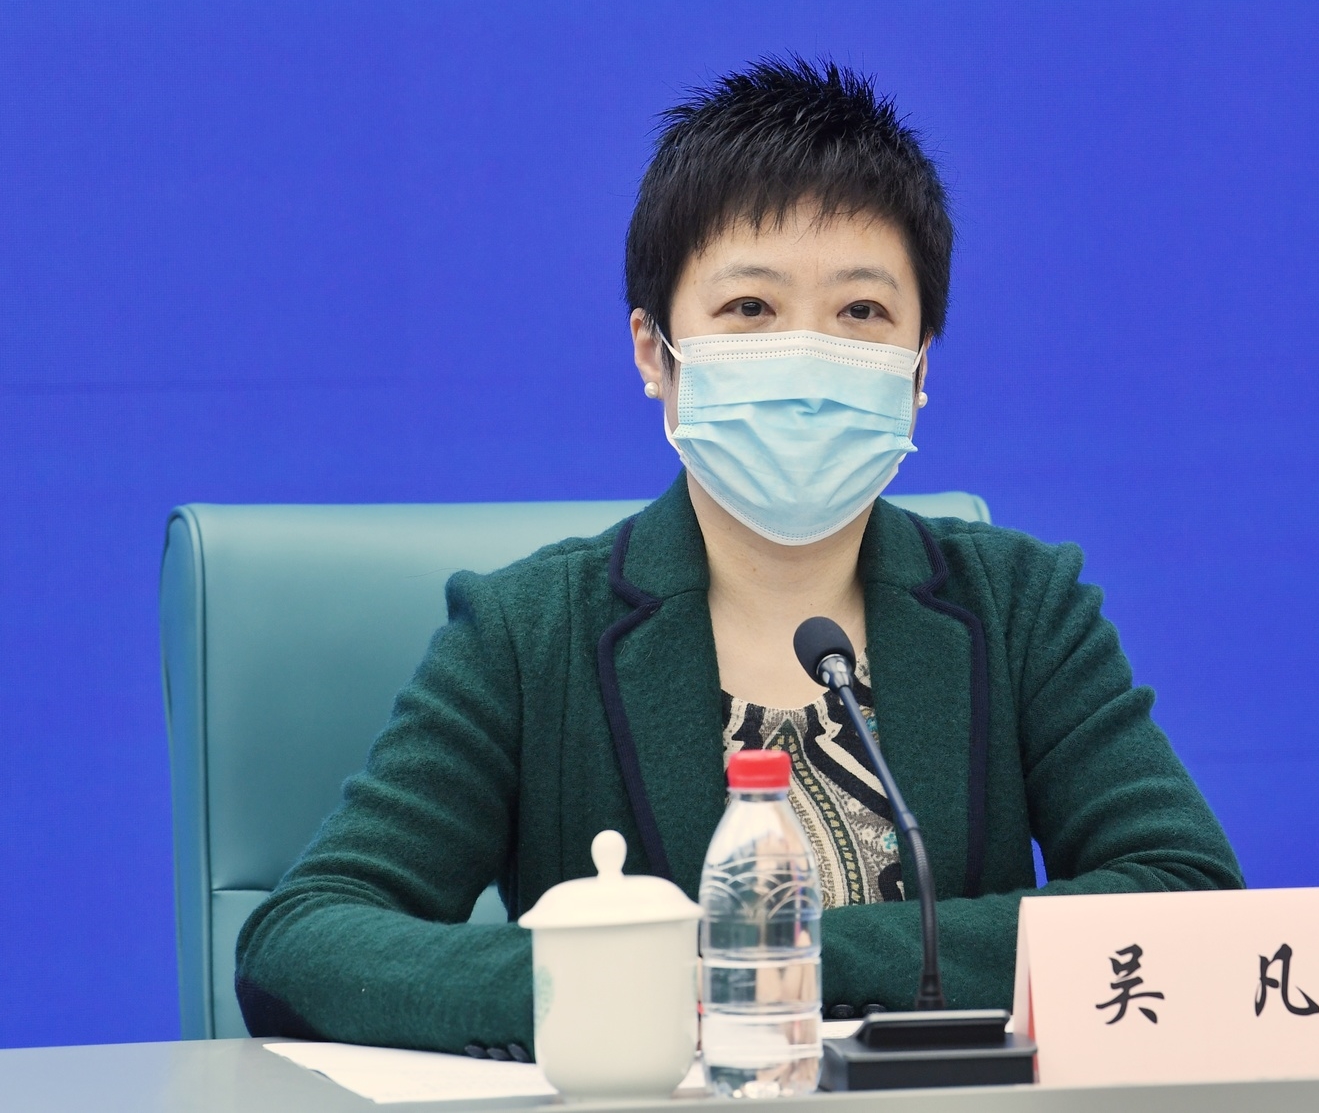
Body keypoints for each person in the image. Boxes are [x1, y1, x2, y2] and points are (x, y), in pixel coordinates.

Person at [235, 57, 1243, 1055]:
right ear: (653, 350)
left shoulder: (1020, 607)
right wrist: (620, 983)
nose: (808, 356)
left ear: (918, 365)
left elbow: (1186, 896)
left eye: (861, 313)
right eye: (750, 309)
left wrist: (771, 962)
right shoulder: (528, 636)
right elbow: (301, 941)